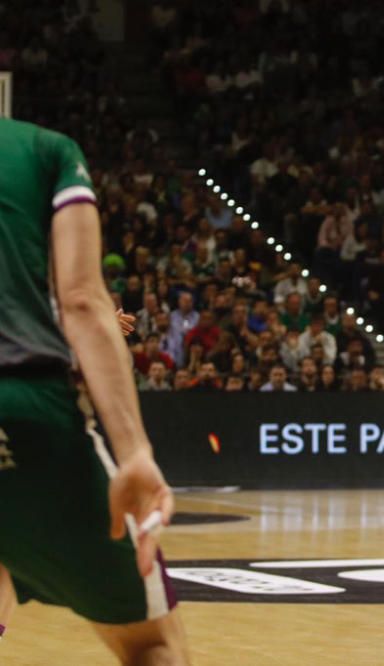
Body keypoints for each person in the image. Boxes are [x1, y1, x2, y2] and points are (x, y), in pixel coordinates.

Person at [0, 118, 188, 661]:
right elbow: (82, 298)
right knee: (151, 644)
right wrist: (135, 452)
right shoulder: (42, 150)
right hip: (22, 412)